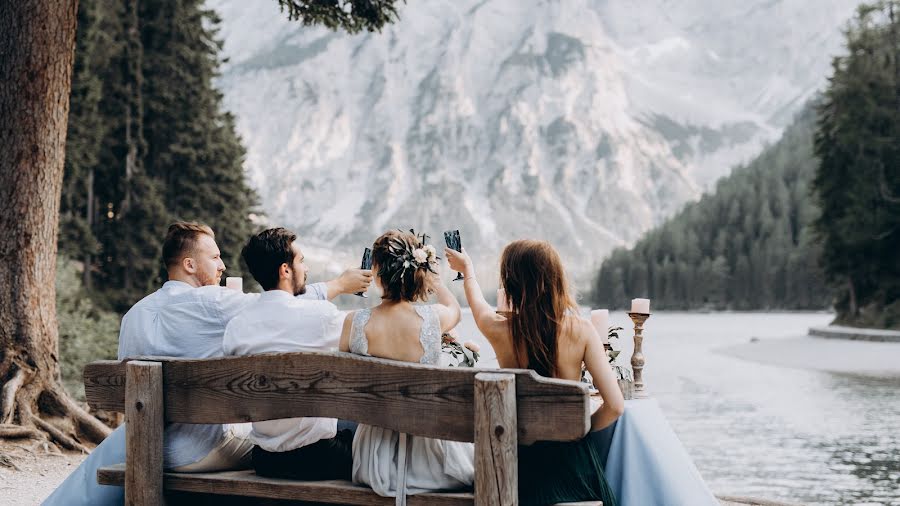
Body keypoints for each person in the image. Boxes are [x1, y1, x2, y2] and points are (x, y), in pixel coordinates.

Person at [43, 221, 372, 505]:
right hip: (197, 452)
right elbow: (278, 306)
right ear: (188, 264)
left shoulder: (134, 314)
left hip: (144, 445)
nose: (222, 266)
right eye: (214, 257)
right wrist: (339, 286)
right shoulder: (213, 304)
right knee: (284, 441)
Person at [446, 240, 624, 506]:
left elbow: (478, 305)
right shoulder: (582, 330)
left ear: (513, 284)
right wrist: (579, 430)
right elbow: (615, 406)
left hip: (518, 468)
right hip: (573, 472)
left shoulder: (499, 330)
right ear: (556, 280)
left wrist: (468, 270)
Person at [339, 230, 474, 499]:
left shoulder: (354, 322)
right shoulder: (433, 318)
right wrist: (435, 280)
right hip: (431, 459)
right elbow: (456, 310)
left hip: (374, 459)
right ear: (418, 270)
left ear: (376, 273)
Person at [222, 227, 355, 480]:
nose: (306, 269)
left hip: (264, 458)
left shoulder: (236, 327)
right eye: (301, 262)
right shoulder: (320, 315)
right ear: (285, 270)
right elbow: (368, 341)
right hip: (319, 458)